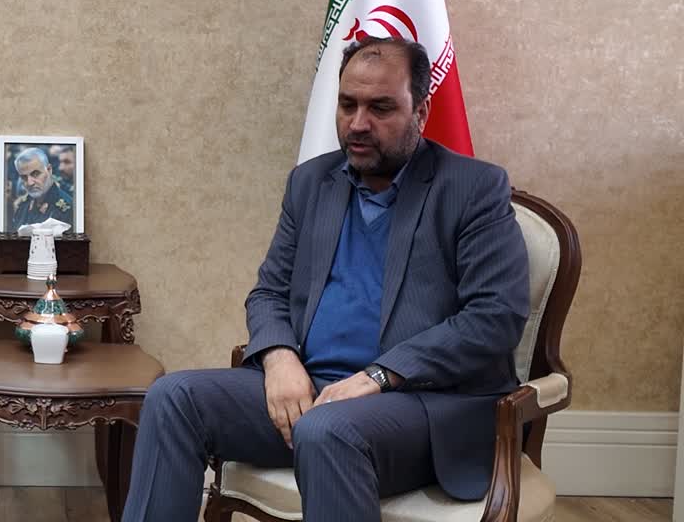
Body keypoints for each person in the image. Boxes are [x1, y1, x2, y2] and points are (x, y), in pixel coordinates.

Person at [120, 36, 530, 521]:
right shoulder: (311, 182)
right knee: (173, 398)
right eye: (347, 104)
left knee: (327, 429)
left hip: (420, 406)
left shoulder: (473, 188)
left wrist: (379, 376)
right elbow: (269, 292)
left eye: (380, 108)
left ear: (420, 111)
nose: (358, 124)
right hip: (313, 392)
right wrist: (279, 359)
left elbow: (494, 317)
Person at [9, 146, 75, 229]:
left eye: (35, 174)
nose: (30, 183)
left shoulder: (67, 208)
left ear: (49, 170)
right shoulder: (21, 205)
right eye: (24, 177)